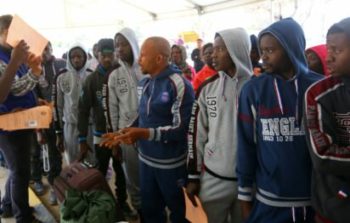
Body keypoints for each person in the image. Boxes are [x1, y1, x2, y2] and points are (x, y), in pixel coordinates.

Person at [236, 18, 322, 223]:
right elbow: (245, 145)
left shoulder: (319, 87)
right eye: (261, 50)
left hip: (315, 200)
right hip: (269, 199)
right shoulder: (253, 90)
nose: (263, 57)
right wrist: (245, 196)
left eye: (270, 50)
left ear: (291, 48)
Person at [102, 36, 195, 223]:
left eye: (143, 55)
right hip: (146, 161)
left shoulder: (179, 84)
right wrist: (123, 132)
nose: (139, 60)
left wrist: (143, 134)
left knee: (179, 213)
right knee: (151, 210)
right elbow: (142, 117)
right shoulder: (144, 84)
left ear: (159, 59)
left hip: (170, 165)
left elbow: (180, 128)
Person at [186, 28, 252, 223]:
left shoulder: (256, 87)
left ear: (236, 50)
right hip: (213, 178)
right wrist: (193, 176)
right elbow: (196, 133)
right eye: (213, 49)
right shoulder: (207, 88)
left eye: (221, 49)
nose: (213, 54)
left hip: (248, 183)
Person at [304, 17, 350, 223]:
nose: (328, 57)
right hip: (334, 207)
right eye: (328, 49)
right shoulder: (318, 94)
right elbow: (322, 154)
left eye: (336, 50)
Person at [77, 38, 129, 216]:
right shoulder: (91, 80)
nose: (107, 59)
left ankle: (122, 202)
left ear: (115, 54)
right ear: (97, 56)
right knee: (100, 172)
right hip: (101, 136)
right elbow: (83, 111)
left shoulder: (123, 74)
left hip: (121, 134)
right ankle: (103, 205)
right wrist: (82, 139)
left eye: (110, 55)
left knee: (122, 172)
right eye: (103, 56)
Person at [0, 14, 43, 223]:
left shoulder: (13, 54)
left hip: (24, 120)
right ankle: (23, 217)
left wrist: (35, 71)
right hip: (8, 126)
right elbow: (2, 93)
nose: (19, 37)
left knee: (17, 168)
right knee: (20, 172)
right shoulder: (7, 56)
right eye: (13, 32)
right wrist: (16, 61)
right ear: (3, 33)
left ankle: (8, 206)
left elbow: (19, 88)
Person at [104, 27, 142, 220]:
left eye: (123, 44)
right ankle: (139, 208)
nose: (119, 49)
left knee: (150, 176)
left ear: (133, 43)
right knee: (133, 177)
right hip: (126, 136)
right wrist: (117, 140)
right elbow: (112, 110)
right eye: (117, 45)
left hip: (148, 132)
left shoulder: (146, 68)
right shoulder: (114, 76)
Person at [31, 41, 66, 205]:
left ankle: (77, 184)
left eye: (47, 49)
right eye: (41, 49)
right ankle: (55, 187)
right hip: (48, 120)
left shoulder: (62, 64)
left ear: (52, 49)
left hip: (67, 117)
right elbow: (35, 98)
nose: (44, 52)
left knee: (74, 152)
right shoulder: (35, 70)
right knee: (53, 154)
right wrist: (39, 129)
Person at [53, 43, 94, 164]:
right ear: (69, 59)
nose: (76, 60)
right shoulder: (61, 76)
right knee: (73, 162)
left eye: (79, 56)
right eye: (73, 57)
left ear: (85, 57)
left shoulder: (91, 75)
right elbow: (57, 106)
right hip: (70, 126)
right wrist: (58, 133)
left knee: (90, 162)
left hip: (89, 127)